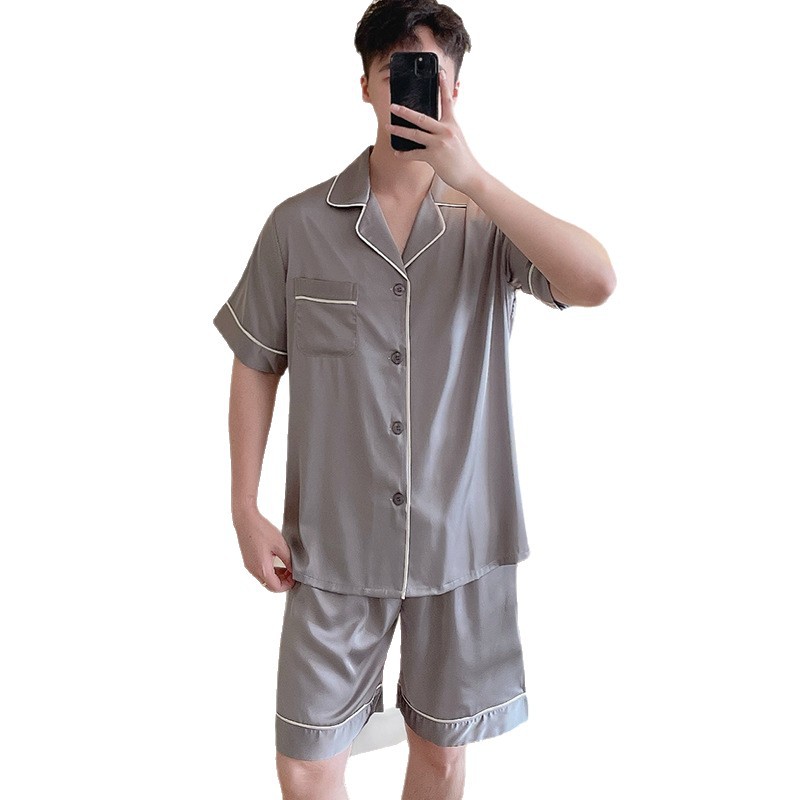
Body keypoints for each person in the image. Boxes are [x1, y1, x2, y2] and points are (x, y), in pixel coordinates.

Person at [212, 1, 616, 797]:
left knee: (441, 752)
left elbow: (597, 282)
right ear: (365, 84)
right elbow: (257, 360)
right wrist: (242, 506)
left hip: (462, 540)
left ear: (454, 89)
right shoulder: (297, 225)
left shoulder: (489, 225)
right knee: (305, 762)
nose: (409, 88)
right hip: (331, 547)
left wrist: (476, 179)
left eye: (427, 72)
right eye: (394, 70)